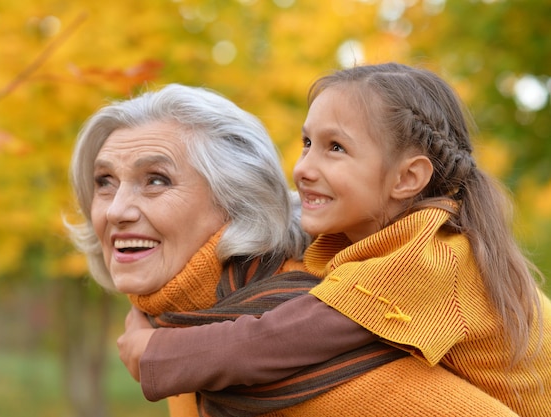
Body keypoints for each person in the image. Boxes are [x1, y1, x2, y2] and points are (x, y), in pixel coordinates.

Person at [119, 65, 551, 416]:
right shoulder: (369, 241)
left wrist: (154, 351)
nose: (303, 166)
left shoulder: (430, 259)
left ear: (407, 178)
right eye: (307, 143)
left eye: (335, 148)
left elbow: (274, 342)